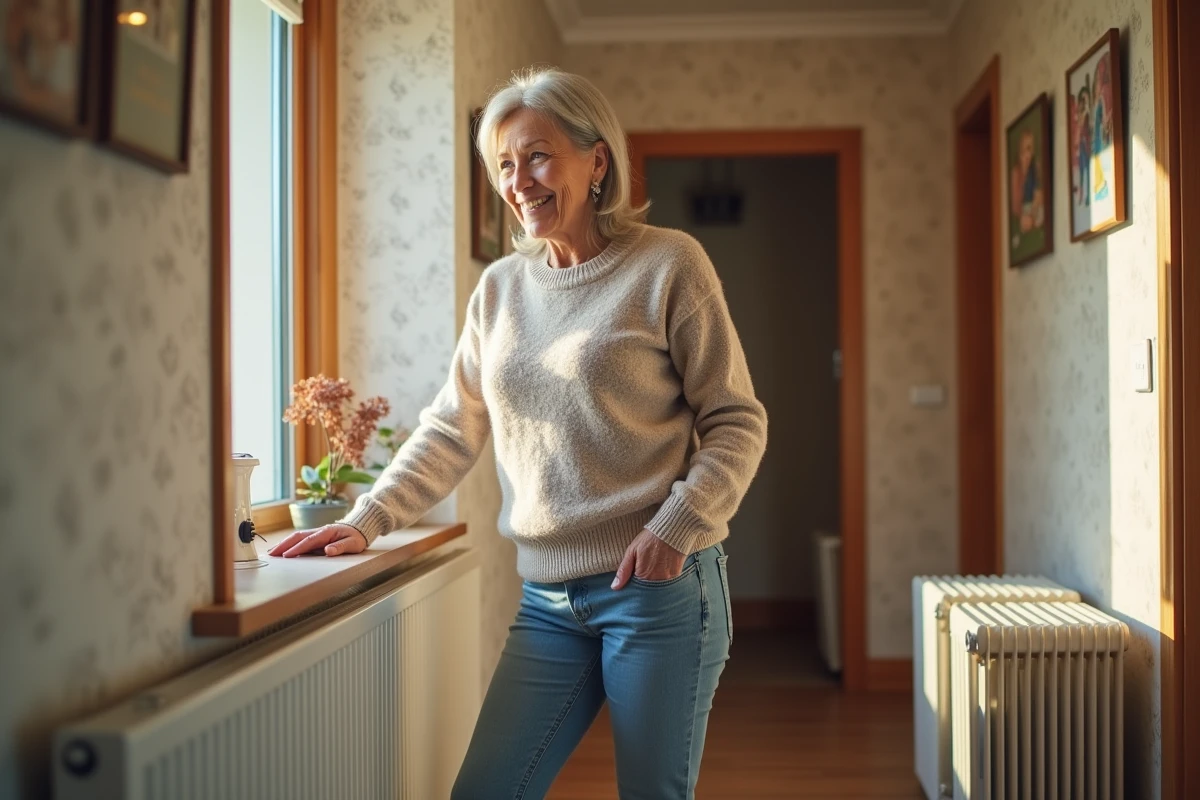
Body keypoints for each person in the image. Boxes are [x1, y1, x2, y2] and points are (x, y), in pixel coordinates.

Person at [269, 67, 769, 799]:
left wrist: (678, 526)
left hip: (658, 589)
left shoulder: (669, 264)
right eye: (504, 164)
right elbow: (451, 426)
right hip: (548, 602)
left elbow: (736, 418)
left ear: (596, 161)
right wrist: (367, 517)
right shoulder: (500, 287)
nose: (518, 180)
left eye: (537, 156)